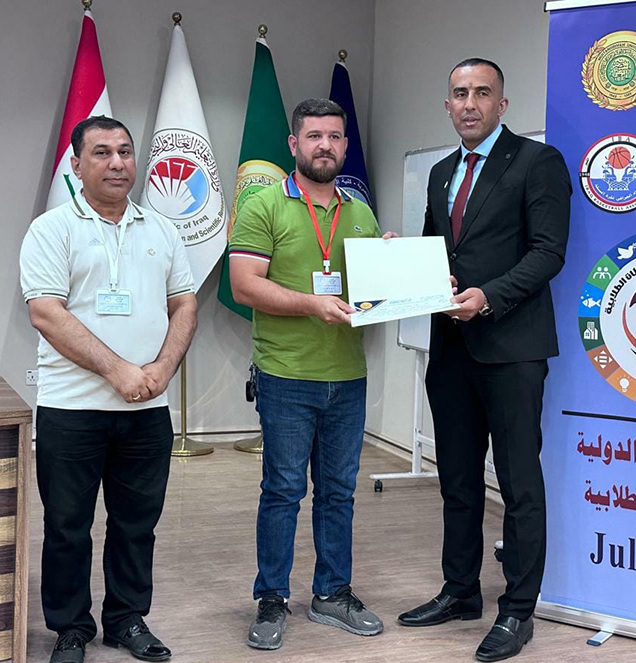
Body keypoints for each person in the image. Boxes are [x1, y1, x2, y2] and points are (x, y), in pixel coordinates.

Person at [397, 59, 571, 662]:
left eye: (481, 93)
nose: (469, 103)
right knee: (459, 479)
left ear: (502, 104)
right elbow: (435, 252)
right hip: (450, 349)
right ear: (447, 105)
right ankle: (461, 590)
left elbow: (549, 252)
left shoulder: (536, 162)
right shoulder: (441, 172)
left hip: (512, 348)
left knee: (518, 483)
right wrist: (400, 260)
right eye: (459, 93)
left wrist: (489, 296)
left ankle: (517, 610)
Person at [20, 116, 197, 663]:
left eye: (125, 151)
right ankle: (71, 628)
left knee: (136, 524)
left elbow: (184, 304)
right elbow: (46, 313)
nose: (117, 163)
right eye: (101, 153)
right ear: (76, 165)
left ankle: (126, 620)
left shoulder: (161, 230)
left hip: (147, 409)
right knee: (67, 526)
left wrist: (163, 368)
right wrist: (118, 370)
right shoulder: (51, 229)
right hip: (71, 409)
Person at [229, 98, 392, 651]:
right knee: (282, 491)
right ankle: (272, 597)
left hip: (347, 374)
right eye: (315, 136)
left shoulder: (361, 212)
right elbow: (244, 285)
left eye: (335, 136)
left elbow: (370, 292)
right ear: (294, 144)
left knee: (339, 492)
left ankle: (332, 593)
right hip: (286, 374)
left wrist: (394, 266)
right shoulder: (264, 205)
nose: (326, 145)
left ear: (344, 146)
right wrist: (310, 305)